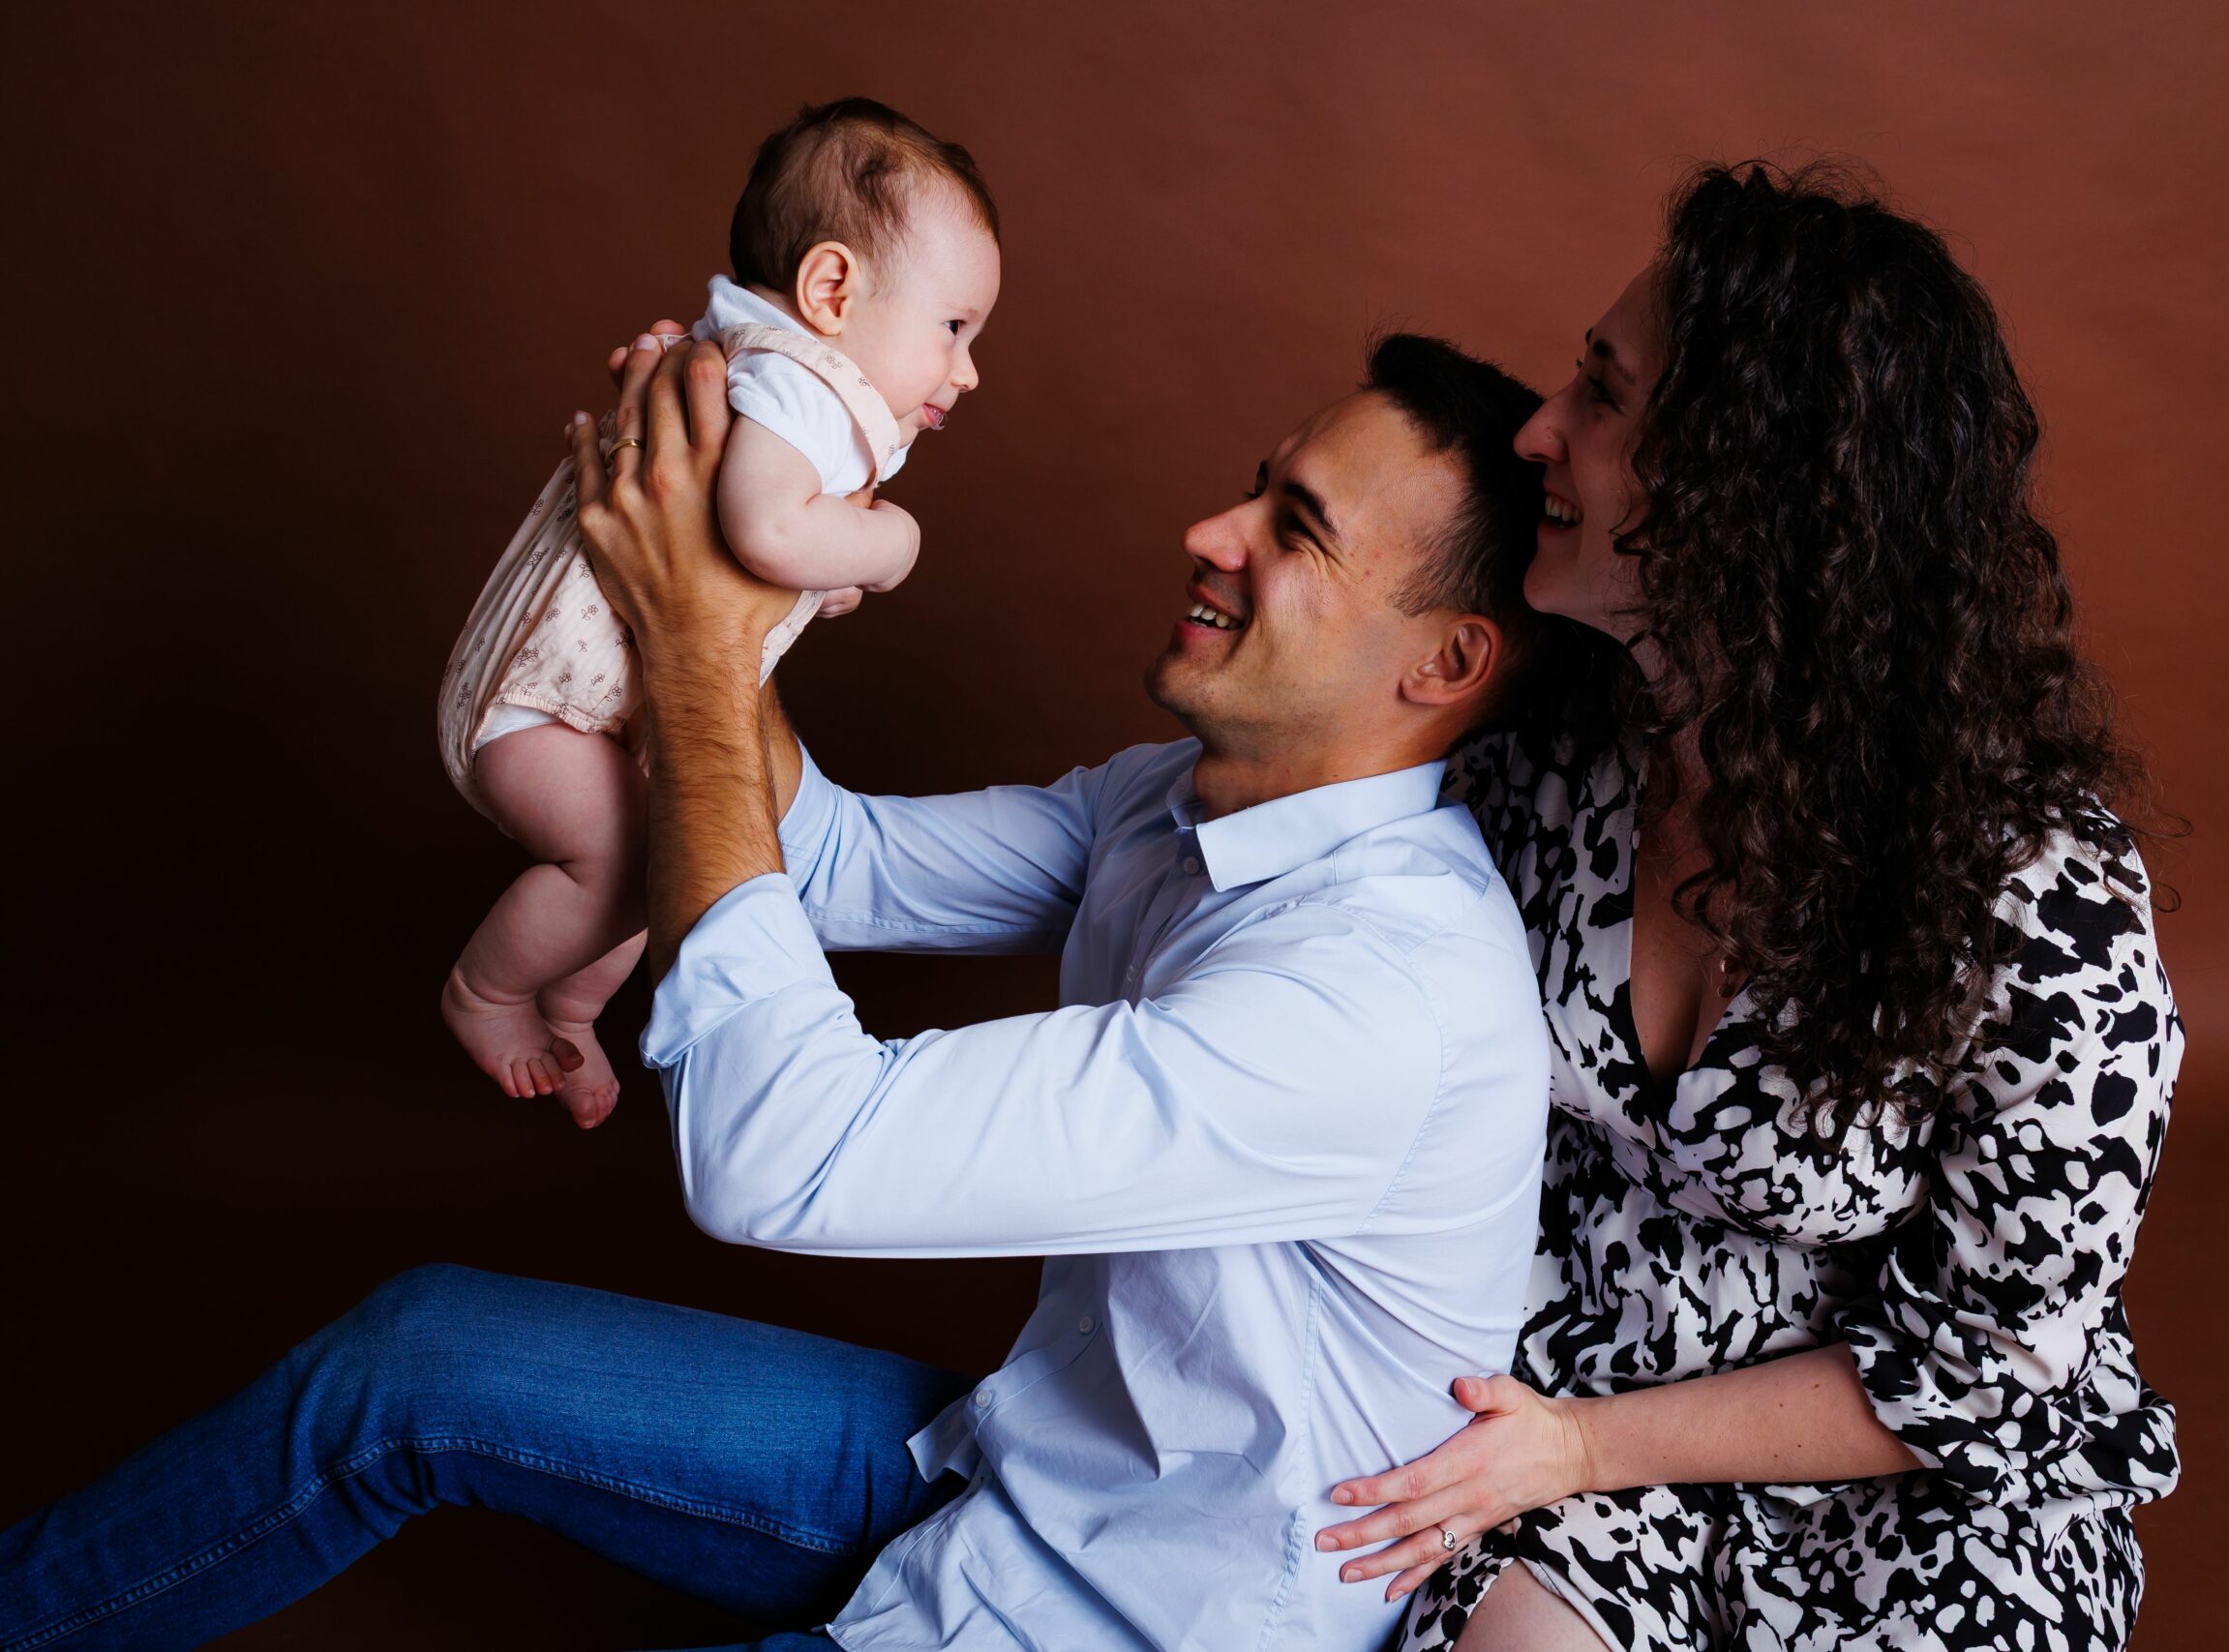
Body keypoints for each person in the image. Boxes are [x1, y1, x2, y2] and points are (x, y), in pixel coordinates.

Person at [0, 331, 1557, 1652]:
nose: (1215, 530)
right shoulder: (1184, 798)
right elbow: (833, 859)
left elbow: (786, 1155)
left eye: (1295, 526)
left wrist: (695, 648)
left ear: (1444, 660)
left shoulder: (1379, 996)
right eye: (1254, 483)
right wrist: (716, 543)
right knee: (417, 1358)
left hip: (1126, 1608)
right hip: (1015, 1453)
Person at [1308, 165, 2186, 1652]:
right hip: (1556, 1400)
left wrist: (1591, 1445)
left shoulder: (2042, 901)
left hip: (1913, 1473)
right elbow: (1279, 828)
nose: (1538, 432)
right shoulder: (1552, 741)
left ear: (1744, 489)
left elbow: (1981, 1371)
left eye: (1601, 391)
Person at [437, 98, 1001, 1127]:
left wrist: (814, 570)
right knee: (622, 857)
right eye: (954, 327)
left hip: (586, 704)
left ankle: (574, 1002)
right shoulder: (796, 388)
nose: (967, 368)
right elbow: (766, 531)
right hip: (540, 709)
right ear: (831, 289)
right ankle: (490, 991)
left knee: (663, 846)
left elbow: (767, 541)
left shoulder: (769, 372)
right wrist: (888, 548)